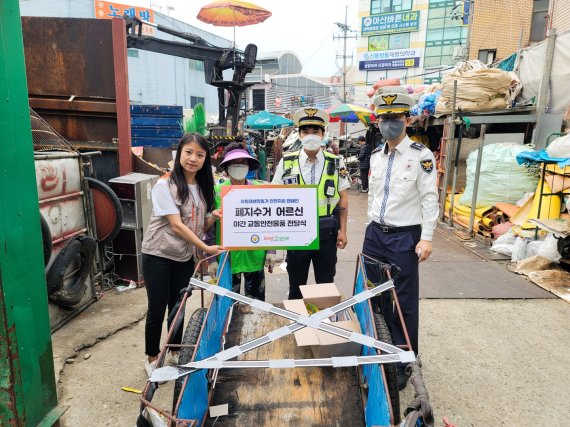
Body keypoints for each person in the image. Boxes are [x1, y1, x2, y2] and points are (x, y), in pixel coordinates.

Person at [362, 87, 438, 390]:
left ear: (407, 119)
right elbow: (373, 196)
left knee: (403, 300)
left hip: (404, 237)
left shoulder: (421, 156)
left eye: (394, 117)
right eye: (383, 118)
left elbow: (430, 199)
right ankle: (379, 346)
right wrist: (369, 226)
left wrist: (427, 238)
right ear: (377, 122)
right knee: (374, 295)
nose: (388, 123)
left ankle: (406, 358)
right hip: (375, 234)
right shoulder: (377, 156)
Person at [141, 132, 223, 378]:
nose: (193, 159)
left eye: (199, 154)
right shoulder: (164, 184)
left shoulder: (204, 188)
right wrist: (207, 249)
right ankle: (153, 357)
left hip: (185, 257)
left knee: (178, 307)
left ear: (206, 159)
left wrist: (213, 217)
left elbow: (200, 226)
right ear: (179, 154)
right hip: (158, 254)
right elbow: (176, 225)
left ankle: (175, 352)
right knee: (157, 307)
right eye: (188, 152)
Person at [272, 107, 350, 299]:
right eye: (306, 131)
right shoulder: (287, 162)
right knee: (296, 283)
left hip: (326, 233)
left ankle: (323, 323)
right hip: (297, 233)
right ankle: (299, 324)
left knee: (325, 283)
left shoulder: (335, 162)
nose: (311, 135)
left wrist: (343, 230)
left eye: (315, 131)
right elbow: (274, 195)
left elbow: (343, 198)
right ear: (299, 135)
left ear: (323, 134)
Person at [214, 142, 275, 301]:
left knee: (256, 304)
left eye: (243, 163)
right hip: (228, 257)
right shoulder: (217, 191)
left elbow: (271, 221)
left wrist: (271, 250)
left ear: (249, 166)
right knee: (227, 305)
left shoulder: (261, 190)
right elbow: (210, 227)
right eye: (234, 164)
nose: (239, 167)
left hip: (255, 256)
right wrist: (211, 258)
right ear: (227, 168)